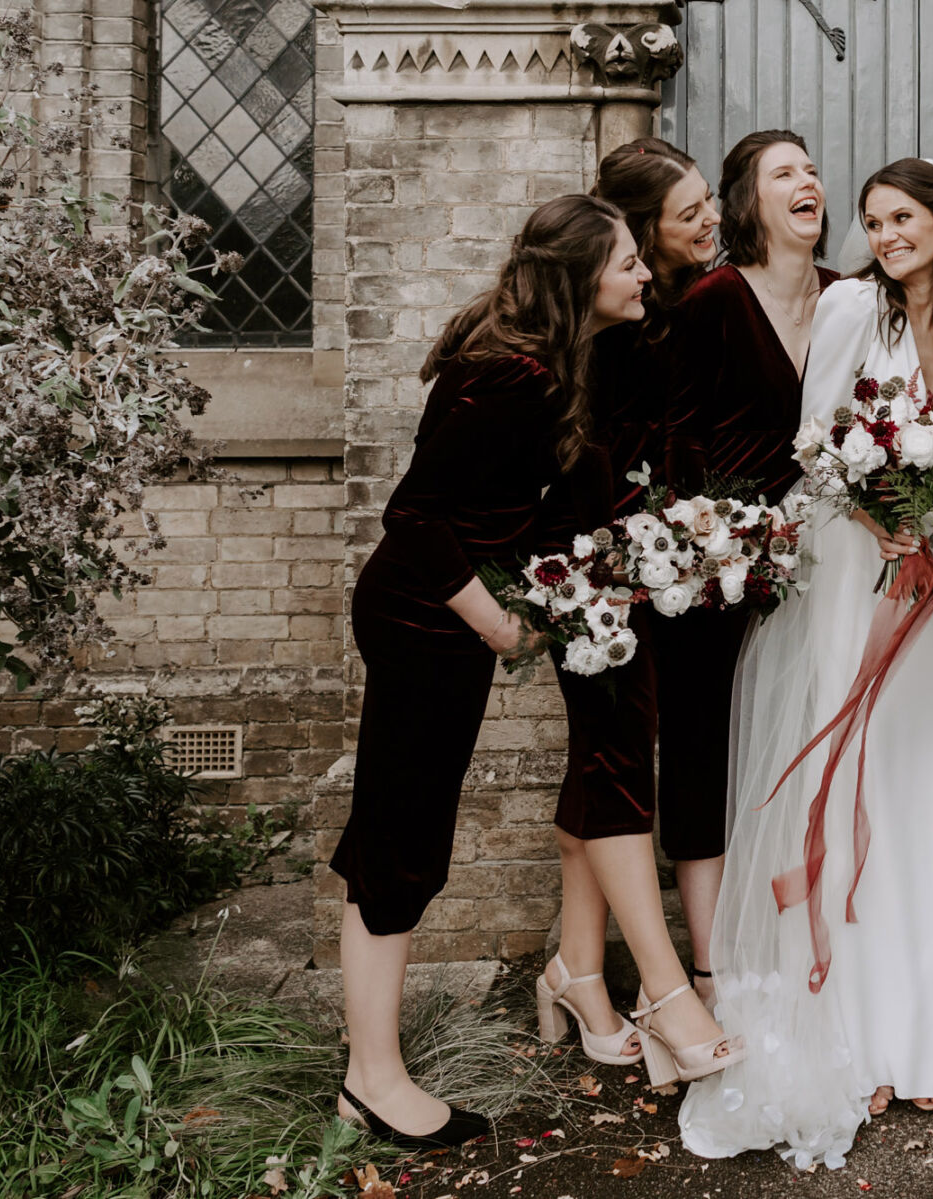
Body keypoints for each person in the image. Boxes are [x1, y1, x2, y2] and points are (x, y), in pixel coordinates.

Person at [678, 158, 933, 1167]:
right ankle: (866, 1031)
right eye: (872, 222)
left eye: (901, 217)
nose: (884, 236)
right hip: (862, 575)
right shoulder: (850, 311)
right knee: (862, 778)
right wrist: (883, 515)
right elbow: (814, 444)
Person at [330, 195, 661, 1146]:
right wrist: (495, 620)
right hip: (419, 619)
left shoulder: (547, 358)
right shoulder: (512, 374)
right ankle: (372, 1081)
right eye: (628, 261)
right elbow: (415, 515)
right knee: (399, 842)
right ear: (579, 277)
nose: (642, 275)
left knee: (405, 838)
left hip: (440, 623)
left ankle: (371, 1070)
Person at [536, 139, 731, 1070]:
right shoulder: (601, 328)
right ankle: (663, 990)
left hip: (645, 568)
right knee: (615, 762)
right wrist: (617, 556)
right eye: (688, 211)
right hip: (589, 576)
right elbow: (581, 463)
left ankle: (576, 972)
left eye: (708, 204)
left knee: (601, 763)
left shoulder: (676, 305)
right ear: (637, 233)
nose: (709, 221)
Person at [654, 130, 841, 1006]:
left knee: (811, 756)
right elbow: (675, 436)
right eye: (783, 172)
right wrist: (715, 534)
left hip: (828, 571)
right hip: (720, 568)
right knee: (704, 752)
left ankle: (814, 952)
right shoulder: (713, 301)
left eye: (809, 169)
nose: (807, 180)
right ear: (747, 203)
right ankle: (711, 967)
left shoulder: (851, 299)